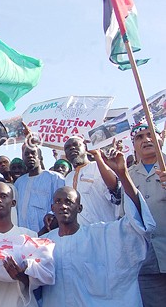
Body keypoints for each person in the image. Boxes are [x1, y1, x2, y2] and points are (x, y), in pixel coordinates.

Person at [41, 148, 157, 306]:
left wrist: (122, 174)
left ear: (79, 208)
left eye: (69, 202)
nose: (63, 206)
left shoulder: (101, 235)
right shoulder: (43, 243)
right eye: (58, 202)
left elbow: (137, 225)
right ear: (52, 208)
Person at [127, 120, 166, 306]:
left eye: (151, 134)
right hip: (146, 261)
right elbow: (125, 217)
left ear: (161, 138)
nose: (146, 139)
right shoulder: (128, 175)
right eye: (139, 137)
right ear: (133, 145)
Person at [63, 136, 121, 225]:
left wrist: (97, 156)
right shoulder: (68, 178)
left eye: (76, 145)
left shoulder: (99, 166)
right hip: (81, 233)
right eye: (67, 148)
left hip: (106, 229)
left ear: (86, 147)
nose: (72, 148)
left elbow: (115, 189)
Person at [14, 144, 64, 233]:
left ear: (40, 157)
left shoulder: (55, 178)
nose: (30, 156)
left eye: (33, 153)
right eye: (26, 154)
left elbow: (61, 203)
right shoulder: (19, 183)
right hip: (23, 236)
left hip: (48, 233)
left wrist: (52, 218)